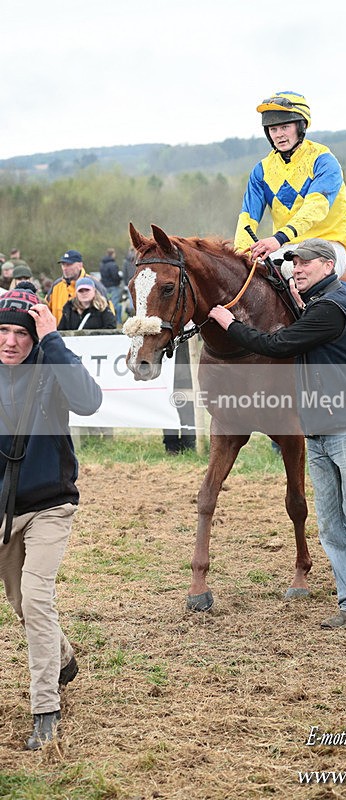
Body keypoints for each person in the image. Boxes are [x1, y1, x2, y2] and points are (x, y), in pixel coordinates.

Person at [208, 238, 346, 628]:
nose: (296, 269)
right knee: (332, 525)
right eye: (293, 264)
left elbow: (277, 343)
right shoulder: (330, 301)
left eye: (304, 263)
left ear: (327, 266)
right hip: (319, 427)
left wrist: (231, 325)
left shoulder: (333, 308)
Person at [0, 284, 102, 749]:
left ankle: (46, 710)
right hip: (4, 512)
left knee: (37, 600)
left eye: (21, 333)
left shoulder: (51, 363)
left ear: (35, 335)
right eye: (2, 331)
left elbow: (89, 401)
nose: (10, 342)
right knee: (21, 604)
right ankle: (62, 656)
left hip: (50, 504)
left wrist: (53, 340)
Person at [234, 91, 346, 277]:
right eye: (273, 129)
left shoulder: (324, 161)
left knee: (292, 269)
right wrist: (239, 253)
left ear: (301, 126)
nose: (279, 135)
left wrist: (278, 238)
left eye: (285, 127)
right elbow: (248, 217)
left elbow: (316, 207)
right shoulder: (261, 171)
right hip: (286, 246)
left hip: (327, 245)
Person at [46, 249, 109, 324]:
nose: (65, 268)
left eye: (69, 265)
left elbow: (108, 312)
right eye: (63, 264)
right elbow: (46, 310)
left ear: (80, 265)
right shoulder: (56, 286)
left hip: (90, 334)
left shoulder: (94, 284)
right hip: (59, 333)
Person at [99, 247, 123, 323]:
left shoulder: (102, 265)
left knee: (106, 303)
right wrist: (119, 279)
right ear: (113, 254)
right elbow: (115, 276)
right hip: (114, 286)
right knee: (114, 303)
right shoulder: (113, 265)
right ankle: (115, 320)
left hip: (105, 286)